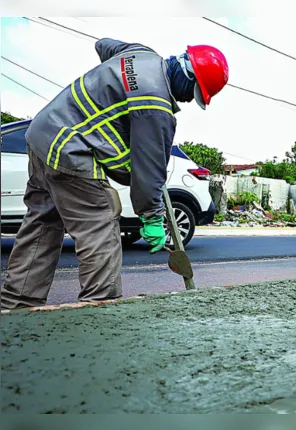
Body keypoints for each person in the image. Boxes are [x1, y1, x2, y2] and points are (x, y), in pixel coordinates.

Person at [1, 38, 229, 310]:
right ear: (187, 75)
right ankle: (101, 309)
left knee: (42, 224)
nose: (187, 99)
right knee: (100, 224)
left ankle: (17, 306)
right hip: (69, 150)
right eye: (192, 92)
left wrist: (118, 87)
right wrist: (152, 217)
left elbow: (103, 45)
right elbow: (149, 172)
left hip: (41, 135)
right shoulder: (156, 107)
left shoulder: (139, 53)